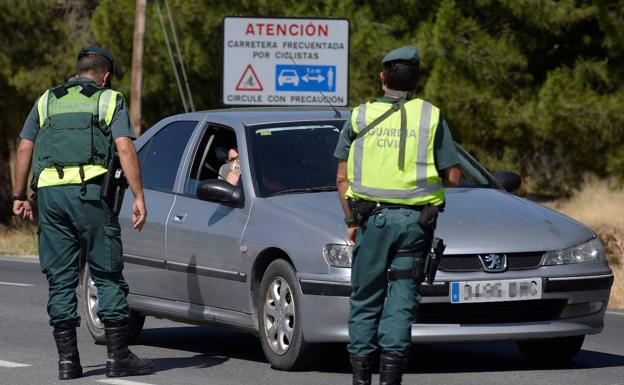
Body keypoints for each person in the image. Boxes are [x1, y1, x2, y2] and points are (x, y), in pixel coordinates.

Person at [12, 47, 153, 380]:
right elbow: (124, 146)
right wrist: (139, 196)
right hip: (90, 197)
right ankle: (117, 357)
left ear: (77, 72)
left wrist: (19, 195)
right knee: (106, 274)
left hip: (50, 199)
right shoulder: (107, 99)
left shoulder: (47, 100)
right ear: (104, 76)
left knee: (61, 280)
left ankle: (67, 362)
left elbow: (24, 146)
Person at [334, 46, 462, 385]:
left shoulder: (359, 116)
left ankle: (361, 380)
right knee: (402, 301)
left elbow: (341, 178)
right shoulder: (431, 116)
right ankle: (391, 381)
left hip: (371, 222)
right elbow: (452, 176)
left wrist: (350, 222)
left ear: (382, 77)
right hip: (415, 224)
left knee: (365, 298)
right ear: (417, 80)